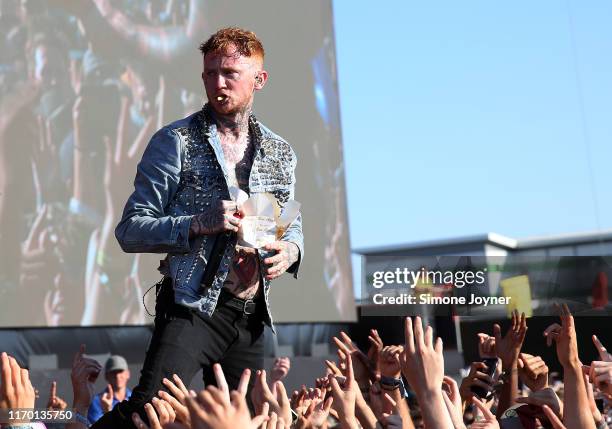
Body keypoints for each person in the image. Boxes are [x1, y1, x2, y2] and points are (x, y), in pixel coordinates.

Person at [91, 27, 303, 428]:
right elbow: (130, 229)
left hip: (251, 312)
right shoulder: (176, 141)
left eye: (229, 73)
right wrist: (197, 224)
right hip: (193, 308)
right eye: (210, 73)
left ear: (260, 79)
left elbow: (291, 224)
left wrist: (290, 252)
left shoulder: (280, 151)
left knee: (255, 420)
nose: (218, 83)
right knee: (150, 412)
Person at [87, 355, 132, 424]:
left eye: (120, 371)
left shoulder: (135, 398)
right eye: (113, 372)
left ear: (128, 374)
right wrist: (107, 411)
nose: (117, 376)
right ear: (106, 376)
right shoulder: (96, 402)